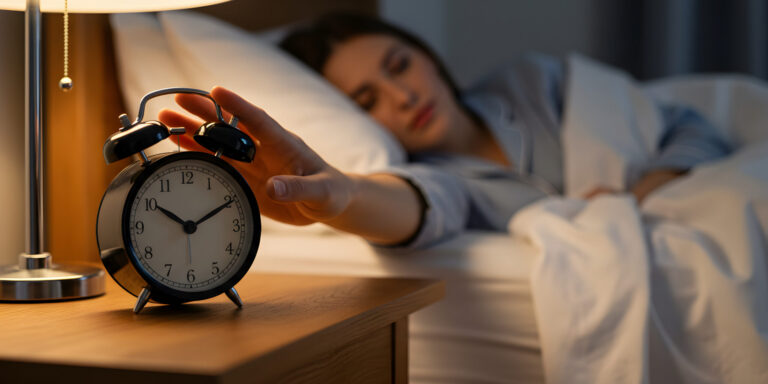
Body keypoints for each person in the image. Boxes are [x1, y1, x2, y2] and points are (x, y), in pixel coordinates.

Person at [159, 13, 731, 250]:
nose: (404, 97)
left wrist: (643, 191)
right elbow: (409, 205)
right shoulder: (436, 179)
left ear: (427, 55)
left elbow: (689, 124)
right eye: (368, 101)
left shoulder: (533, 83)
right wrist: (337, 195)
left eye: (399, 66)